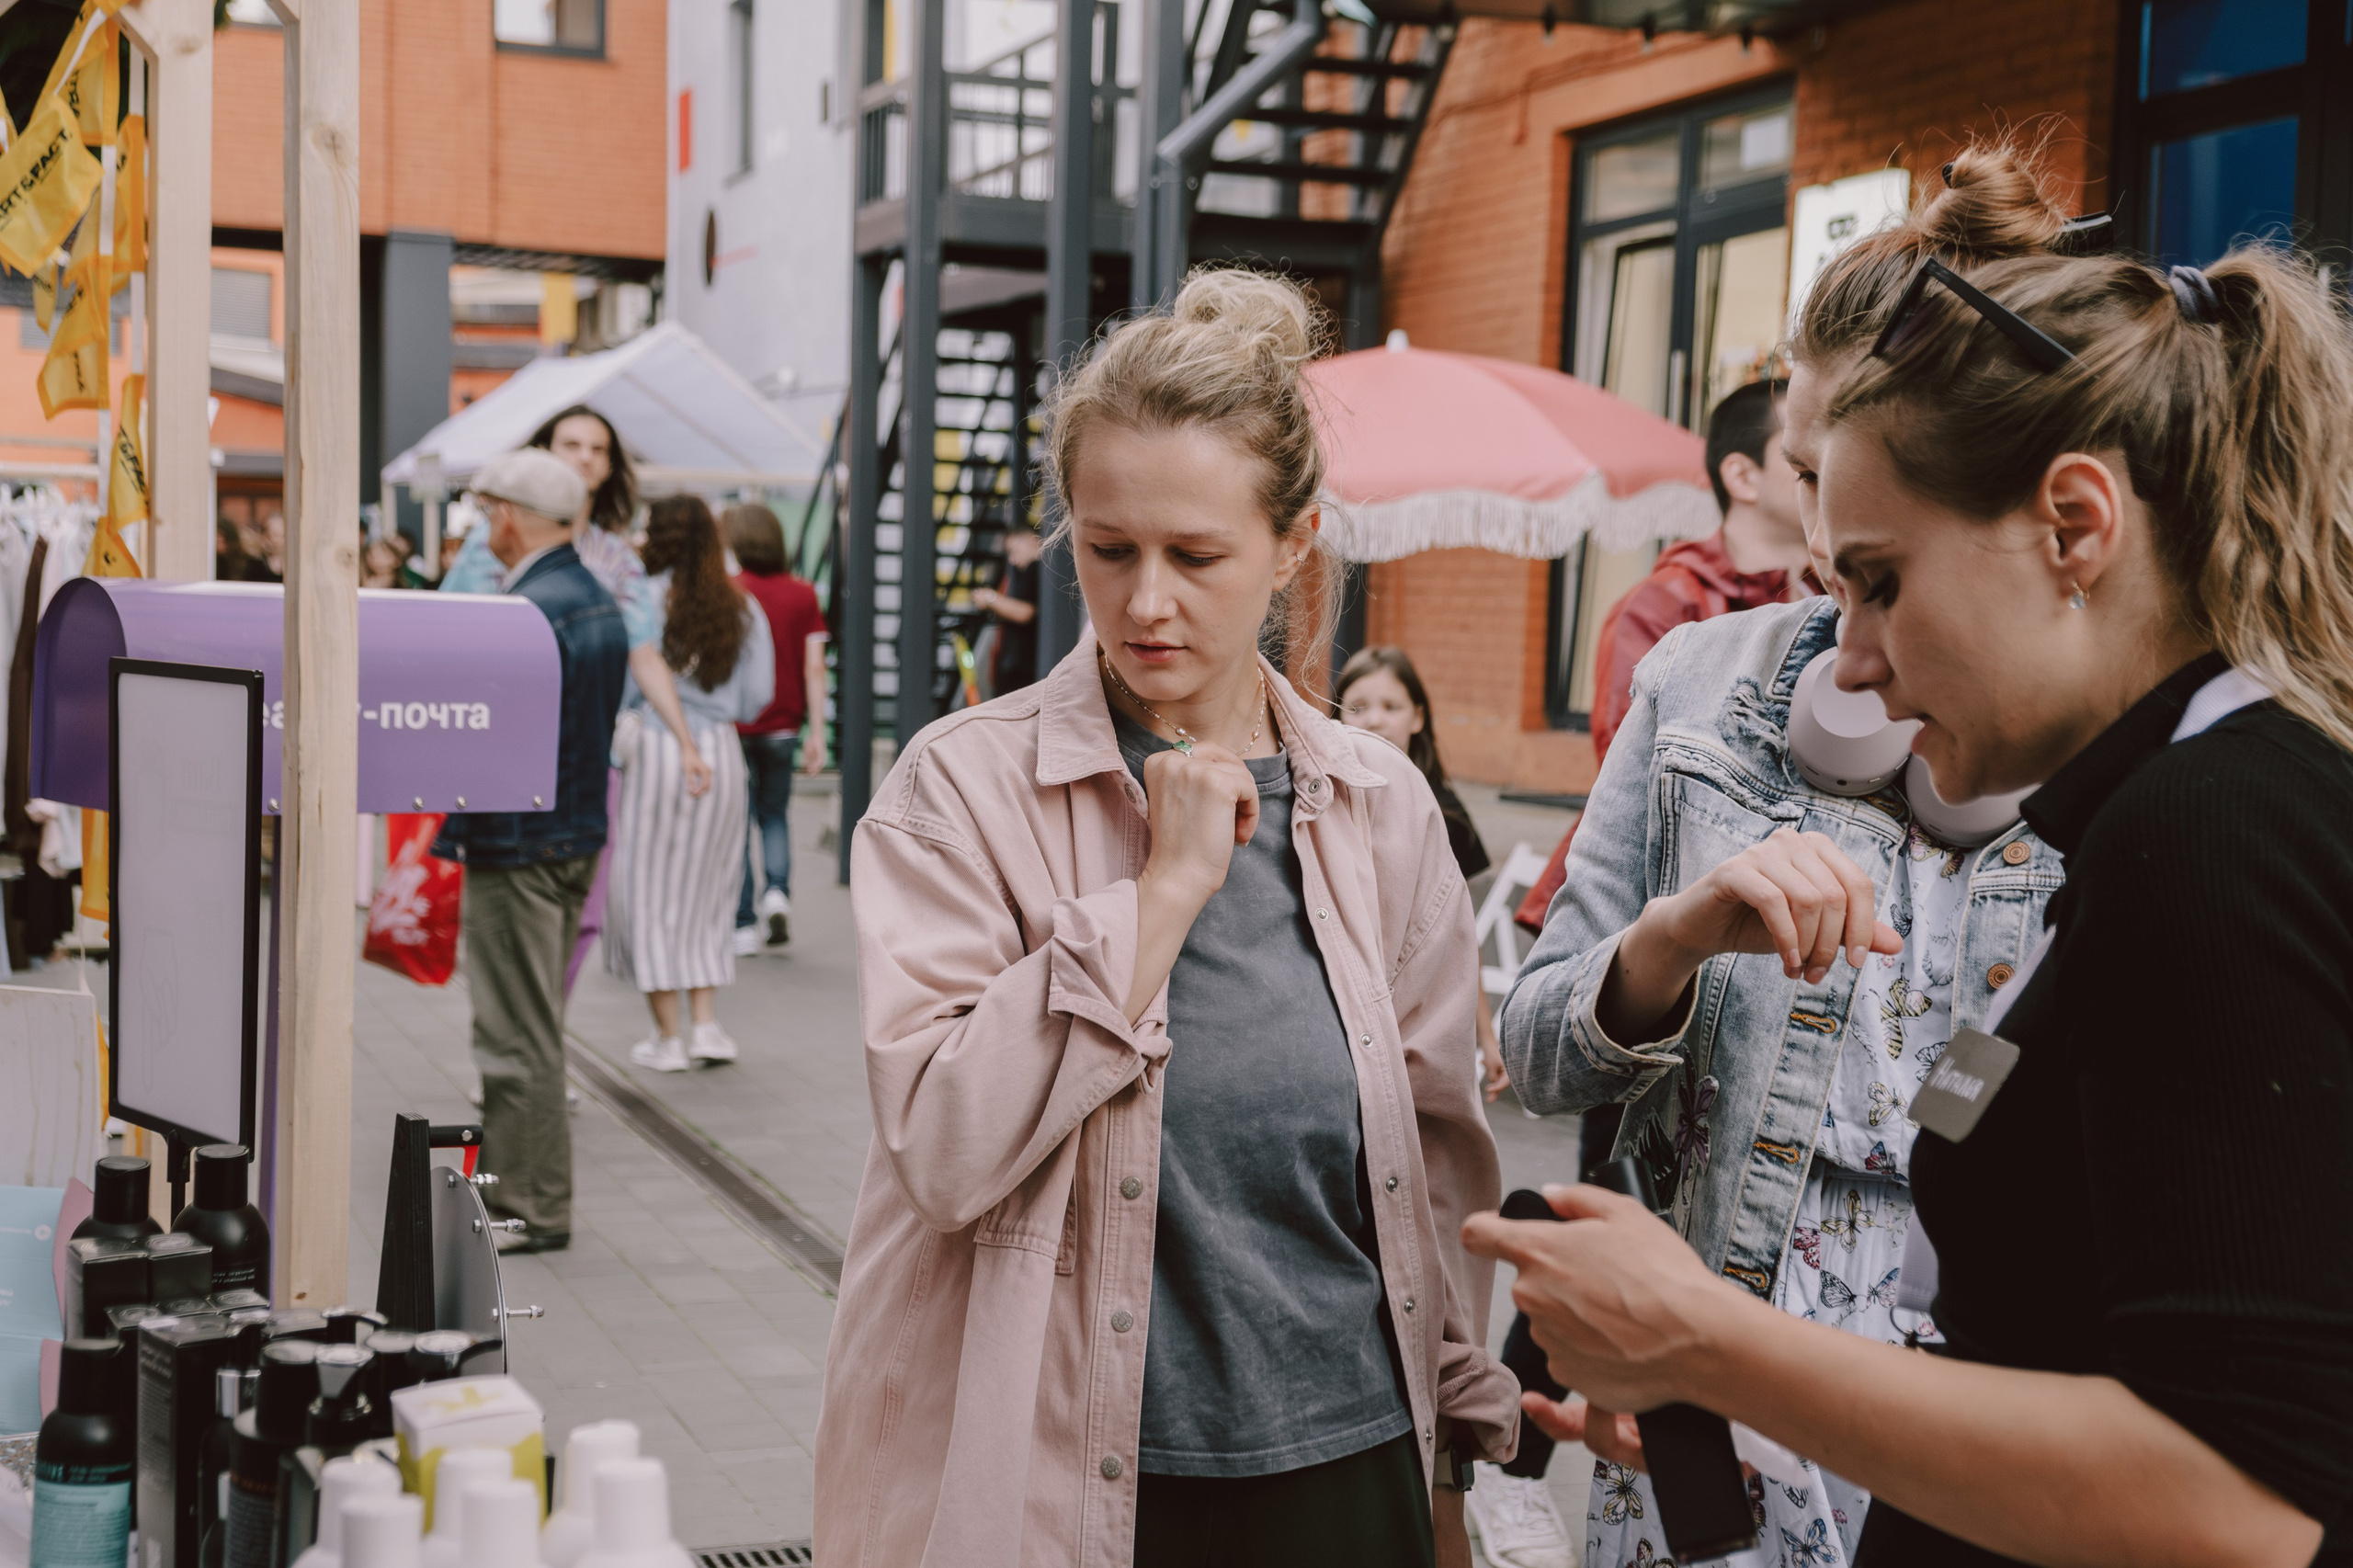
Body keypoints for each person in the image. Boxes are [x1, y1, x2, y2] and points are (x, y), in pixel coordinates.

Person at [1467, 141, 2353, 1568]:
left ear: (2075, 524)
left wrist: (1709, 1339)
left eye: (1879, 578)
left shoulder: (2211, 832)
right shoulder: (2184, 802)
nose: (1855, 660)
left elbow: (2234, 1504)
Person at [814, 270, 1518, 1568]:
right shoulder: (962, 791)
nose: (1146, 602)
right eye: (1107, 546)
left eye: (1197, 556)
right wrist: (1159, 896)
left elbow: (1430, 1168)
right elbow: (945, 1142)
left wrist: (1453, 1459)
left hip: (1349, 1459)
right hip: (1070, 1473)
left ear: (1294, 542)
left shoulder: (1379, 807)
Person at [1496, 449, 2056, 1560]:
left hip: (1983, 1390)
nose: (1816, 521)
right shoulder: (1698, 681)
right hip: (1709, 1369)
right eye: (1802, 467)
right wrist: (1669, 940)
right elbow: (1535, 1052)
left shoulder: (2126, 748)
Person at [430, 449, 628, 1256]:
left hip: (521, 843)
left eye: (485, 514)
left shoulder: (530, 609)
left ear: (509, 516)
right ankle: (528, 1198)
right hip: (570, 834)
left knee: (515, 1037)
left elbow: (490, 733)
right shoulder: (592, 600)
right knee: (533, 1027)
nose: (484, 529)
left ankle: (529, 1205)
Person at [608, 496, 773, 1073]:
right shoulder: (743, 606)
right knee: (711, 888)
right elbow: (757, 697)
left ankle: (666, 1036)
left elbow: (622, 679)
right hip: (721, 750)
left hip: (655, 745)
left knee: (649, 887)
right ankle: (707, 1025)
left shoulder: (638, 596)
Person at [721, 503, 828, 954]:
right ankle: (777, 893)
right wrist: (817, 733)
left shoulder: (727, 590)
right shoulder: (803, 594)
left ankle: (743, 925)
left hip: (734, 724)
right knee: (774, 813)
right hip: (784, 726)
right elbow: (815, 668)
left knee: (737, 824)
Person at [973, 523, 1043, 695]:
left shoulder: (1035, 569)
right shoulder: (1024, 573)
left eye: (1013, 550)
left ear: (1029, 540)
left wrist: (991, 599)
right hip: (1016, 666)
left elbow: (1025, 612)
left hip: (1022, 668)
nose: (1012, 559)